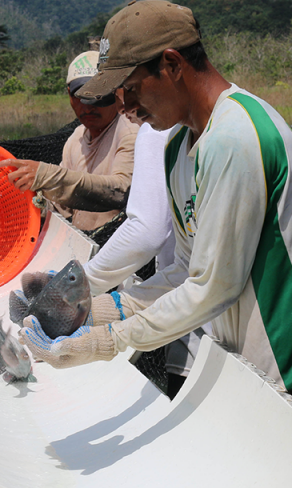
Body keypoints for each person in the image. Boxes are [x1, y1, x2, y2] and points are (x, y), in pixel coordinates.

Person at [20, 0, 292, 415]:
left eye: (131, 89)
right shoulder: (178, 148)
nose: (127, 108)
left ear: (171, 64)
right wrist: (99, 310)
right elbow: (186, 271)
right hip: (255, 375)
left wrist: (106, 340)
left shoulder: (236, 137)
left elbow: (210, 289)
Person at [83, 110, 209, 400]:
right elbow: (188, 262)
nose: (126, 106)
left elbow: (148, 230)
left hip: (198, 331)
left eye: (130, 87)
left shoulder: (156, 132)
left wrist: (81, 288)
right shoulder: (203, 127)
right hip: (196, 320)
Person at [0, 51, 139, 232]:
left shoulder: (128, 131)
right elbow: (61, 206)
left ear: (114, 91)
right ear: (69, 95)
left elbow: (121, 190)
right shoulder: (76, 138)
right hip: (82, 244)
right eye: (80, 96)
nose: (87, 106)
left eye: (98, 95)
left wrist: (47, 176)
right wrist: (29, 203)